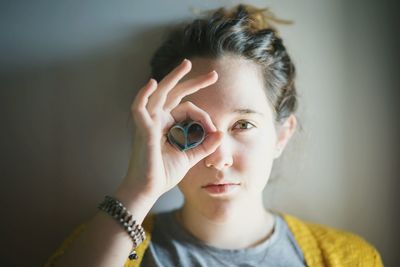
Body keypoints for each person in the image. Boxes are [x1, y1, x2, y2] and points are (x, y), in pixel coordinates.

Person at [45, 4, 383, 267]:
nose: (218, 158)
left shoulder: (352, 258)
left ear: (281, 135)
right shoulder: (105, 246)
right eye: (192, 129)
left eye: (243, 125)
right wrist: (138, 189)